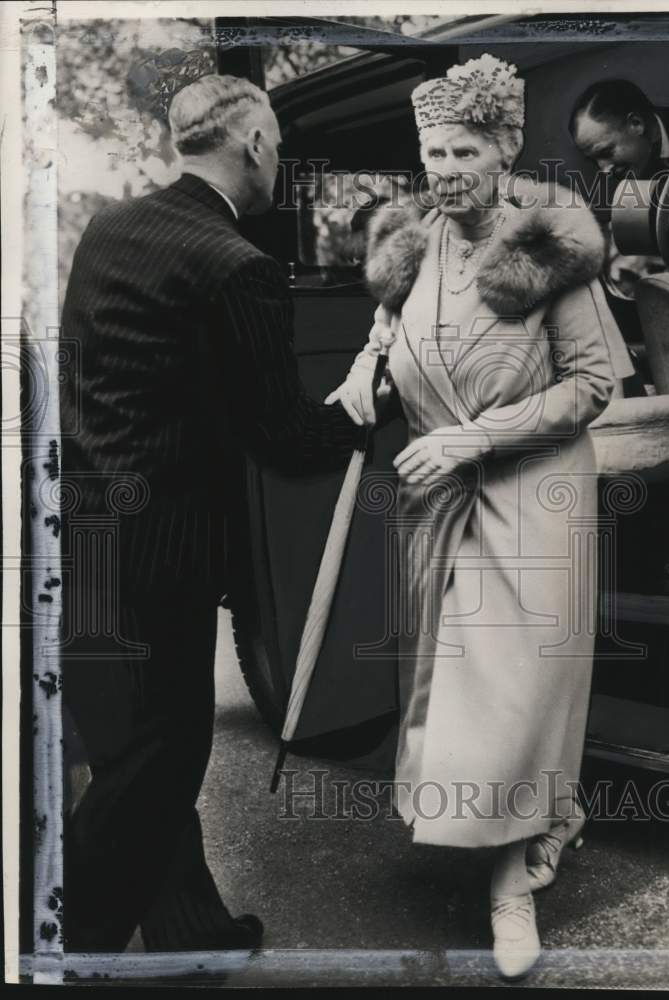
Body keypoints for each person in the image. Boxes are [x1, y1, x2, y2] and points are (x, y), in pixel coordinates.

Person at [328, 54, 616, 979]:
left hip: (532, 493)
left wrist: (474, 438)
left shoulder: (548, 243)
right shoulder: (415, 240)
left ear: (503, 149)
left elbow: (593, 385)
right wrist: (363, 364)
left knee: (508, 697)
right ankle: (507, 838)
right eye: (431, 150)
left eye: (462, 149)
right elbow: (393, 324)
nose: (444, 167)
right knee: (453, 690)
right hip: (436, 497)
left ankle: (510, 887)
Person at [59, 74, 360, 952]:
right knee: (161, 758)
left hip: (87, 524)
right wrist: (358, 409)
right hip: (167, 549)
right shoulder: (240, 265)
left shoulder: (112, 227)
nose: (281, 160)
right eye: (278, 144)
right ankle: (63, 946)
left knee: (129, 752)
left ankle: (192, 937)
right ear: (255, 145)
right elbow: (285, 435)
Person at [568, 79, 669, 392]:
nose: (603, 170)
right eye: (593, 160)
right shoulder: (626, 175)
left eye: (607, 152)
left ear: (636, 124)